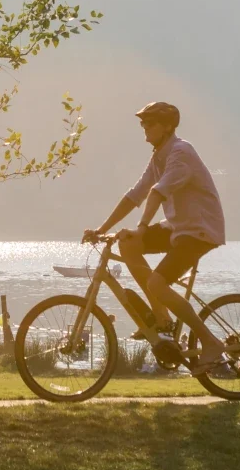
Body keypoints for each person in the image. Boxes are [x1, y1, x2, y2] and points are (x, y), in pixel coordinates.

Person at [83, 101, 227, 367]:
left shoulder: (181, 153)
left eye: (150, 123)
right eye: (143, 123)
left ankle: (211, 343)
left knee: (157, 284)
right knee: (128, 244)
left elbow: (157, 192)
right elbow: (135, 194)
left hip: (200, 230)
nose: (144, 128)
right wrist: (101, 229)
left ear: (168, 127)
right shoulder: (159, 156)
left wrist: (141, 227)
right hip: (177, 228)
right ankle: (162, 320)